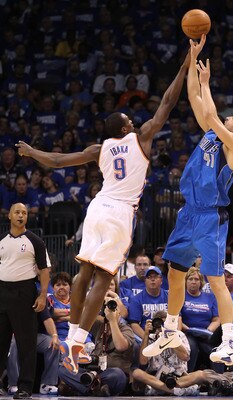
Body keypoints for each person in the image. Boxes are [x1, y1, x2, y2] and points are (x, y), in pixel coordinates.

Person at [16, 50, 190, 374]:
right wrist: (185, 65)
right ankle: (78, 341)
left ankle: (73, 340)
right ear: (124, 129)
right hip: (120, 212)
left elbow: (56, 161)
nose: (134, 122)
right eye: (130, 121)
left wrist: (30, 151)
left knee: (84, 273)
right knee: (104, 278)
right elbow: (167, 102)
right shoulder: (141, 139)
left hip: (96, 207)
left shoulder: (100, 149)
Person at [143, 34, 233, 366]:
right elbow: (195, 100)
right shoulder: (213, 135)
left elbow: (209, 114)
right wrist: (195, 61)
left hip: (211, 217)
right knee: (175, 272)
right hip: (188, 213)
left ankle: (228, 343)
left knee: (214, 279)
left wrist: (206, 84)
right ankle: (169, 329)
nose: (227, 117)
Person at [0, 203, 50, 399]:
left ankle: (25, 387)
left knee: (26, 344)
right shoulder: (1, 240)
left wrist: (43, 295)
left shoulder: (35, 241)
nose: (21, 215)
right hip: (2, 293)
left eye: (24, 213)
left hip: (25, 293)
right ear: (10, 215)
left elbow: (44, 271)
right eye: (17, 212)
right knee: (1, 343)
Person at [58, 298, 135, 396]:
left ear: (119, 315)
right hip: (92, 371)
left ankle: (79, 389)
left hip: (110, 373)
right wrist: (98, 301)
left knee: (118, 375)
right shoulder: (100, 325)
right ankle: (95, 389)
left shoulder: (126, 329)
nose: (111, 312)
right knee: (63, 369)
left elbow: (120, 346)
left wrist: (112, 321)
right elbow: (82, 315)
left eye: (114, 310)